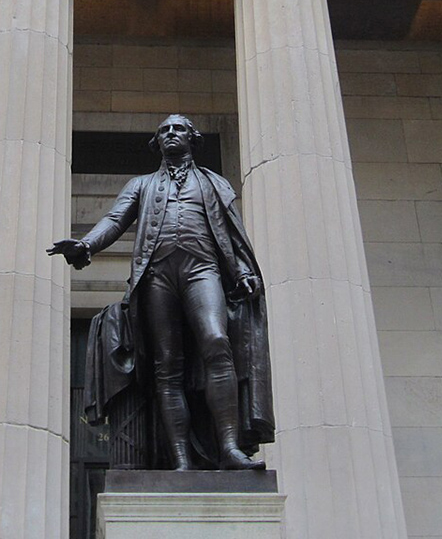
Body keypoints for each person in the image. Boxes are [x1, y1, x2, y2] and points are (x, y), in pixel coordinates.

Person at [49, 115, 274, 471]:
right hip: (157, 276)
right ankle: (180, 459)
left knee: (217, 342)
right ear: (157, 143)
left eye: (178, 128)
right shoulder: (141, 185)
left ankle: (230, 447)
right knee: (167, 365)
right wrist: (86, 244)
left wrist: (243, 270)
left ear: (192, 138)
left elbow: (232, 233)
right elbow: (115, 220)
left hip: (203, 270)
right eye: (164, 130)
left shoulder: (214, 184)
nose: (171, 133)